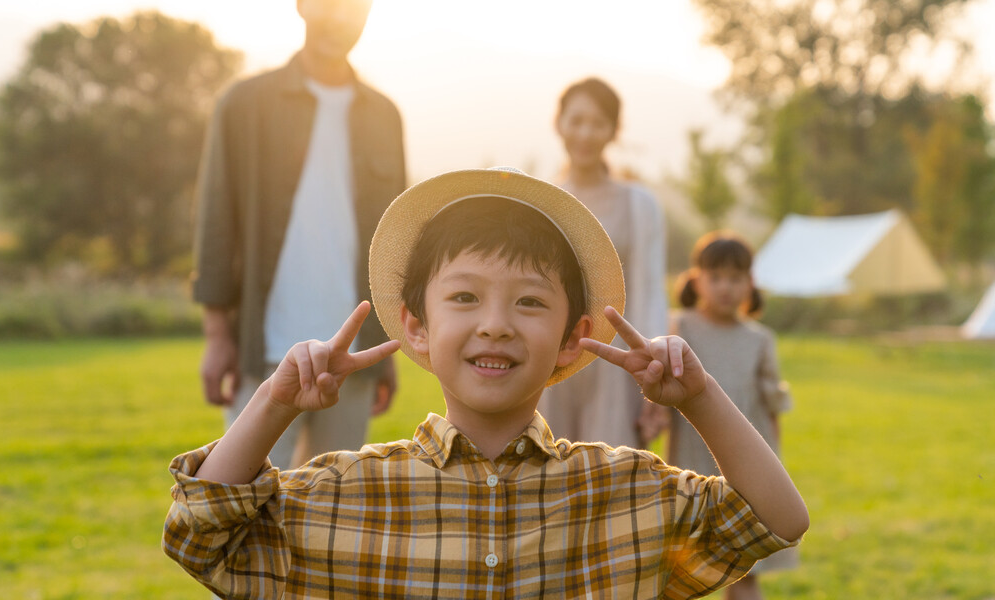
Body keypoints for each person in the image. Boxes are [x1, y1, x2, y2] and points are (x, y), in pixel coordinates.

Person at [163, 167, 808, 598]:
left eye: (530, 303)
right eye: (466, 297)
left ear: (571, 336)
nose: (495, 325)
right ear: (416, 328)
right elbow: (200, 536)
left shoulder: (624, 491)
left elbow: (776, 519)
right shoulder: (348, 495)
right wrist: (275, 403)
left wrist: (698, 396)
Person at [192, 0, 406, 469]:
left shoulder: (384, 115)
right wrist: (216, 334)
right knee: (245, 497)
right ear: (304, 6)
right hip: (264, 348)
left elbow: (397, 240)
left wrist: (385, 349)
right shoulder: (244, 104)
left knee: (336, 510)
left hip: (352, 353)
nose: (340, 20)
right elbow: (216, 220)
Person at [537, 77, 669, 449]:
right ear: (558, 124)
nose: (585, 133)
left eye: (598, 123)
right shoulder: (541, 202)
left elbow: (648, 289)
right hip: (551, 358)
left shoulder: (639, 205)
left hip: (615, 363)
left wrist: (654, 365)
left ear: (614, 130)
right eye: (576, 121)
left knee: (609, 478)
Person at [666, 231, 798, 600]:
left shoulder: (759, 340)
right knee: (678, 566)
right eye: (716, 277)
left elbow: (772, 410)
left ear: (750, 283)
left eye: (736, 278)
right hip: (691, 457)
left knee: (744, 566)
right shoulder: (680, 327)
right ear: (697, 280)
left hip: (745, 467)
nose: (726, 287)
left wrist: (772, 466)